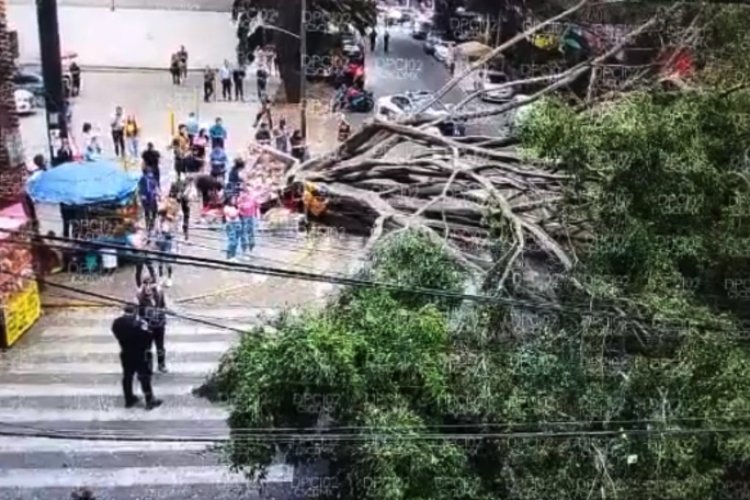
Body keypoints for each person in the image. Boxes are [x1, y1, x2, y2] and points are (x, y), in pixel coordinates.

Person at [111, 304, 162, 409]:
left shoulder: (117, 322)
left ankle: (129, 398)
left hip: (125, 352)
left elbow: (115, 333)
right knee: (144, 377)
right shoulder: (140, 324)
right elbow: (148, 337)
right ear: (134, 312)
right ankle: (149, 400)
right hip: (140, 354)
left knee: (127, 376)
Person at [137, 278, 168, 373]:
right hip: (148, 327)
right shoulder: (140, 297)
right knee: (147, 348)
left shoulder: (159, 294)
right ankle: (148, 367)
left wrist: (162, 312)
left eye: (150, 284)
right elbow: (138, 313)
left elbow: (164, 307)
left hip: (159, 325)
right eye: (145, 284)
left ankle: (161, 365)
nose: (148, 287)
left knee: (160, 347)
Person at [153, 208, 175, 287]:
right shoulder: (157, 221)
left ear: (164, 215)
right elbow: (155, 231)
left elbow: (172, 234)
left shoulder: (169, 222)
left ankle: (169, 278)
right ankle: (161, 278)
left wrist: (166, 233)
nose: (160, 217)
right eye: (159, 216)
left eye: (161, 216)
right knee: (160, 262)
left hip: (167, 244)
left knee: (168, 262)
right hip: (159, 244)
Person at [237, 184, 258, 259]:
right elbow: (238, 209)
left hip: (251, 217)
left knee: (251, 232)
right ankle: (244, 250)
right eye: (241, 192)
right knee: (244, 233)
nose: (242, 194)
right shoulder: (239, 200)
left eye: (244, 192)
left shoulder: (252, 199)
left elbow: (256, 207)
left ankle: (251, 247)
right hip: (243, 218)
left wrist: (257, 216)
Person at [138, 166, 160, 233]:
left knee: (154, 210)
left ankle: (152, 222)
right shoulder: (142, 178)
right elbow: (140, 187)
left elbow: (156, 185)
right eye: (149, 171)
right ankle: (148, 225)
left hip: (152, 196)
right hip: (146, 197)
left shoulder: (152, 178)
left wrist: (157, 193)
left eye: (150, 171)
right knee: (146, 211)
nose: (150, 173)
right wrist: (142, 195)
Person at [223, 195, 242, 262]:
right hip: (231, 225)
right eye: (233, 199)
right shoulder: (226, 207)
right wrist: (238, 210)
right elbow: (232, 216)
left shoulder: (234, 207)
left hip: (237, 224)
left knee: (236, 242)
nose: (234, 201)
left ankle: (233, 256)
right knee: (232, 241)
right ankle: (229, 256)